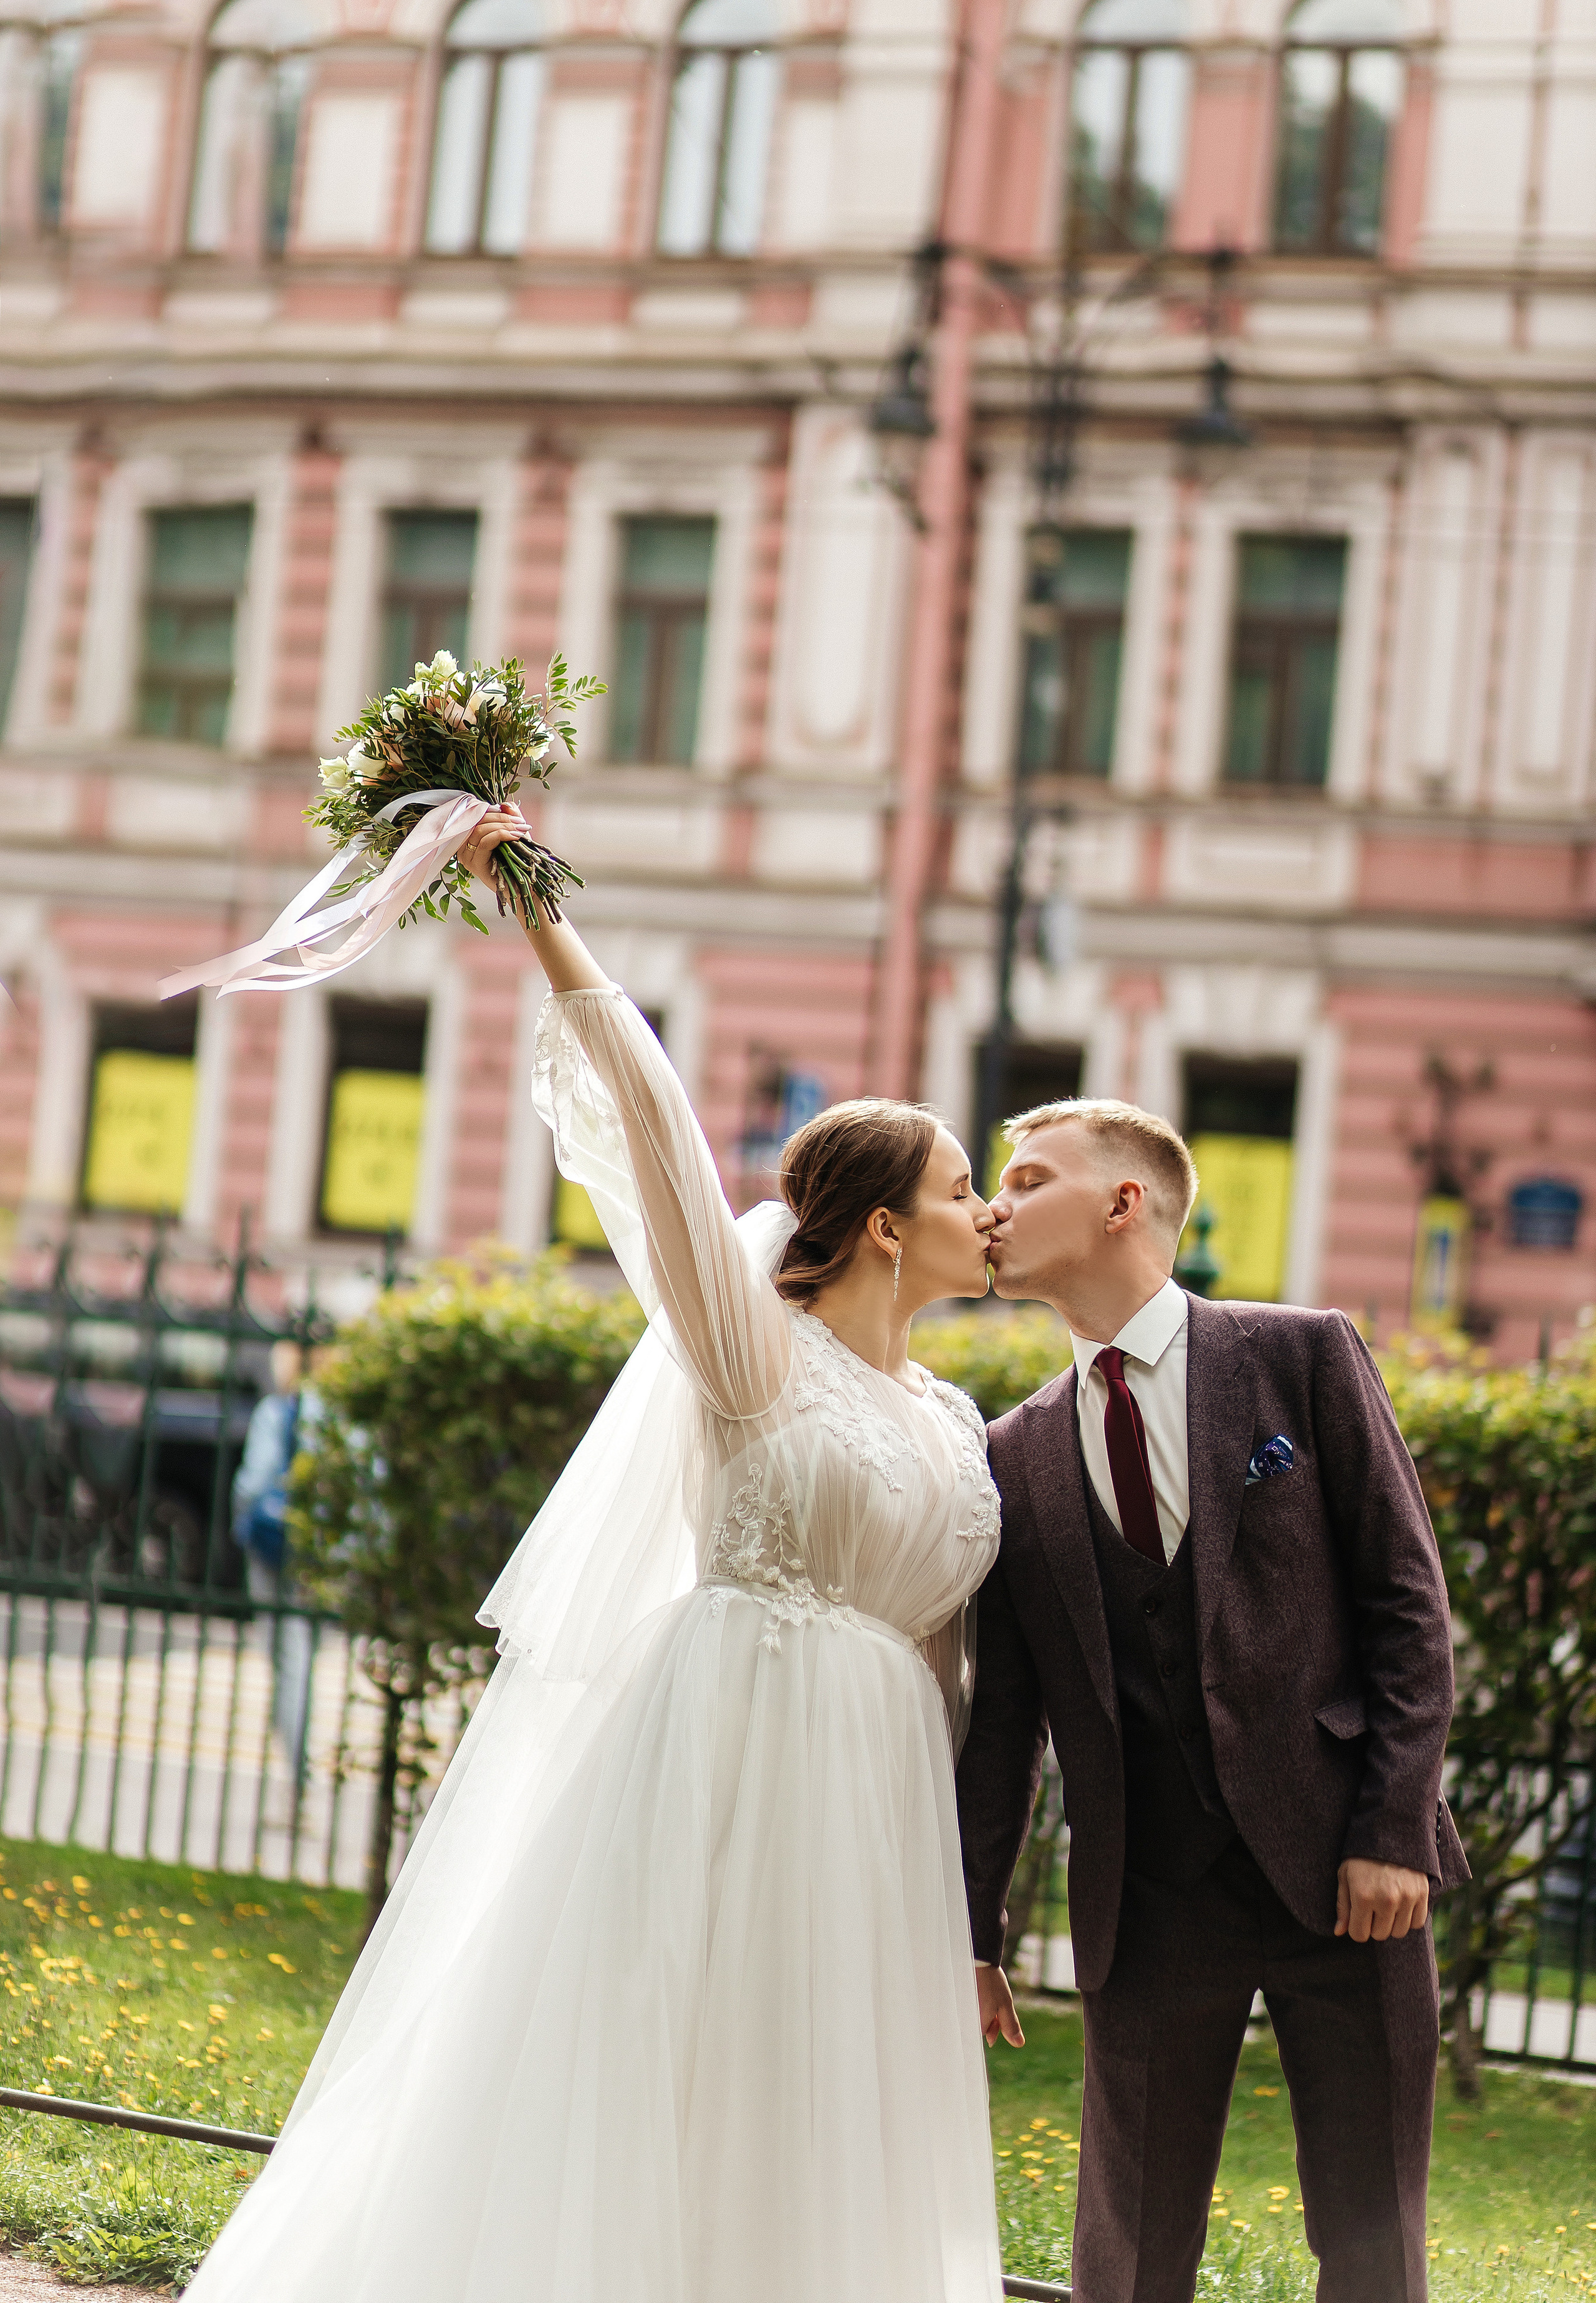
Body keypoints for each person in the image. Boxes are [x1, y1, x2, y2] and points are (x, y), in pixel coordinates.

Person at [183, 801, 1006, 2303]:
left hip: (880, 1790)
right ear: (881, 1227)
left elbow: (949, 1646)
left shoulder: (956, 1415)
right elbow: (660, 1142)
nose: (986, 1214)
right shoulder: (755, 1351)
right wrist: (530, 895)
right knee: (684, 2068)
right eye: (959, 1189)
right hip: (733, 1742)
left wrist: (962, 1893)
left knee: (825, 2103)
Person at [959, 1097, 1469, 2303]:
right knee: (1130, 2256)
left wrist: (1392, 1831)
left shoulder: (1302, 1354)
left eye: (1029, 1181)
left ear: (1123, 1203)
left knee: (1371, 2234)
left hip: (1351, 1875)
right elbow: (1003, 1724)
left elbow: (1408, 1609)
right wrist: (973, 1933)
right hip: (1150, 1894)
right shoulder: (1013, 1452)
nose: (996, 1207)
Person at [230, 1339, 319, 1777]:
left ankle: (296, 1765)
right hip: (325, 1551)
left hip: (275, 1542)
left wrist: (240, 1520)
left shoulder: (279, 1409)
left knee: (288, 1655)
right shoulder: (345, 1415)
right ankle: (298, 1745)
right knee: (306, 1649)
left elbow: (254, 1480)